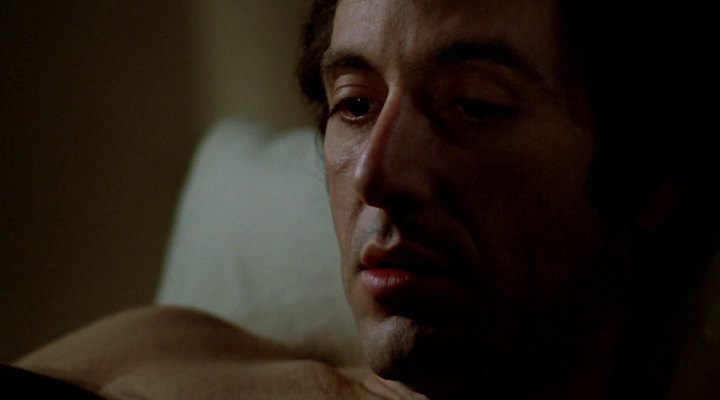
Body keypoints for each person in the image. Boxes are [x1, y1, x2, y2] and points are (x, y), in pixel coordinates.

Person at [9, 0, 719, 398]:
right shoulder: (164, 340)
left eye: (474, 105)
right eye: (354, 104)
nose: (376, 174)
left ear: (648, 173)